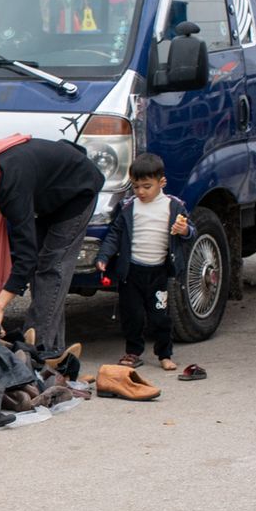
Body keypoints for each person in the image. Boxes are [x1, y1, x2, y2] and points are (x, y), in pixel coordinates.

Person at [0, 136, 104, 359]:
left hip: (78, 190)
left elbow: (25, 258)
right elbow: (27, 255)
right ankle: (53, 349)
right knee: (42, 269)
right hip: (47, 195)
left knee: (52, 267)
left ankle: (37, 352)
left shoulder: (12, 187)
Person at [95, 153, 190, 372]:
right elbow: (115, 234)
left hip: (158, 273)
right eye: (136, 186)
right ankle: (133, 352)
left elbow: (190, 233)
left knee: (160, 317)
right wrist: (103, 257)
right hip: (131, 272)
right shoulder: (129, 206)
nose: (141, 192)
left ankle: (164, 354)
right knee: (132, 315)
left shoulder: (174, 207)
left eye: (147, 186)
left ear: (161, 182)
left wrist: (184, 230)